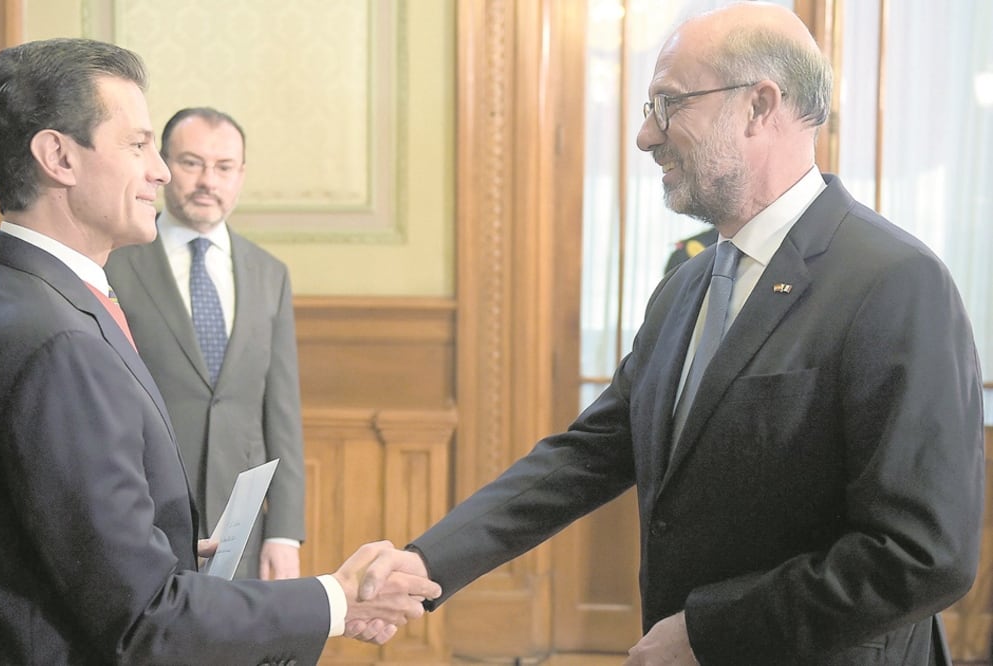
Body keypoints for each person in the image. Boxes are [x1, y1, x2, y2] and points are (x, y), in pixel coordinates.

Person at [361, 3, 984, 665]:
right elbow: (588, 454)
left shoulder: (894, 281)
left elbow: (922, 556)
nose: (643, 136)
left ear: (758, 105)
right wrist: (423, 562)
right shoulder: (686, 284)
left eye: (666, 104)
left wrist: (710, 632)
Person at [0, 38, 438, 664]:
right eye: (138, 145)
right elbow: (144, 620)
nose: (162, 172)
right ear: (58, 155)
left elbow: (33, 528)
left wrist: (150, 544)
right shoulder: (59, 342)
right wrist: (335, 598)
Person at [106, 107, 304, 582]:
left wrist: (284, 532)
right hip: (143, 513)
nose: (207, 182)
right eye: (192, 163)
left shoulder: (269, 274)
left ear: (241, 175)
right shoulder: (115, 260)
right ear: (163, 163)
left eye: (223, 168)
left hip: (242, 523)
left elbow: (281, 411)